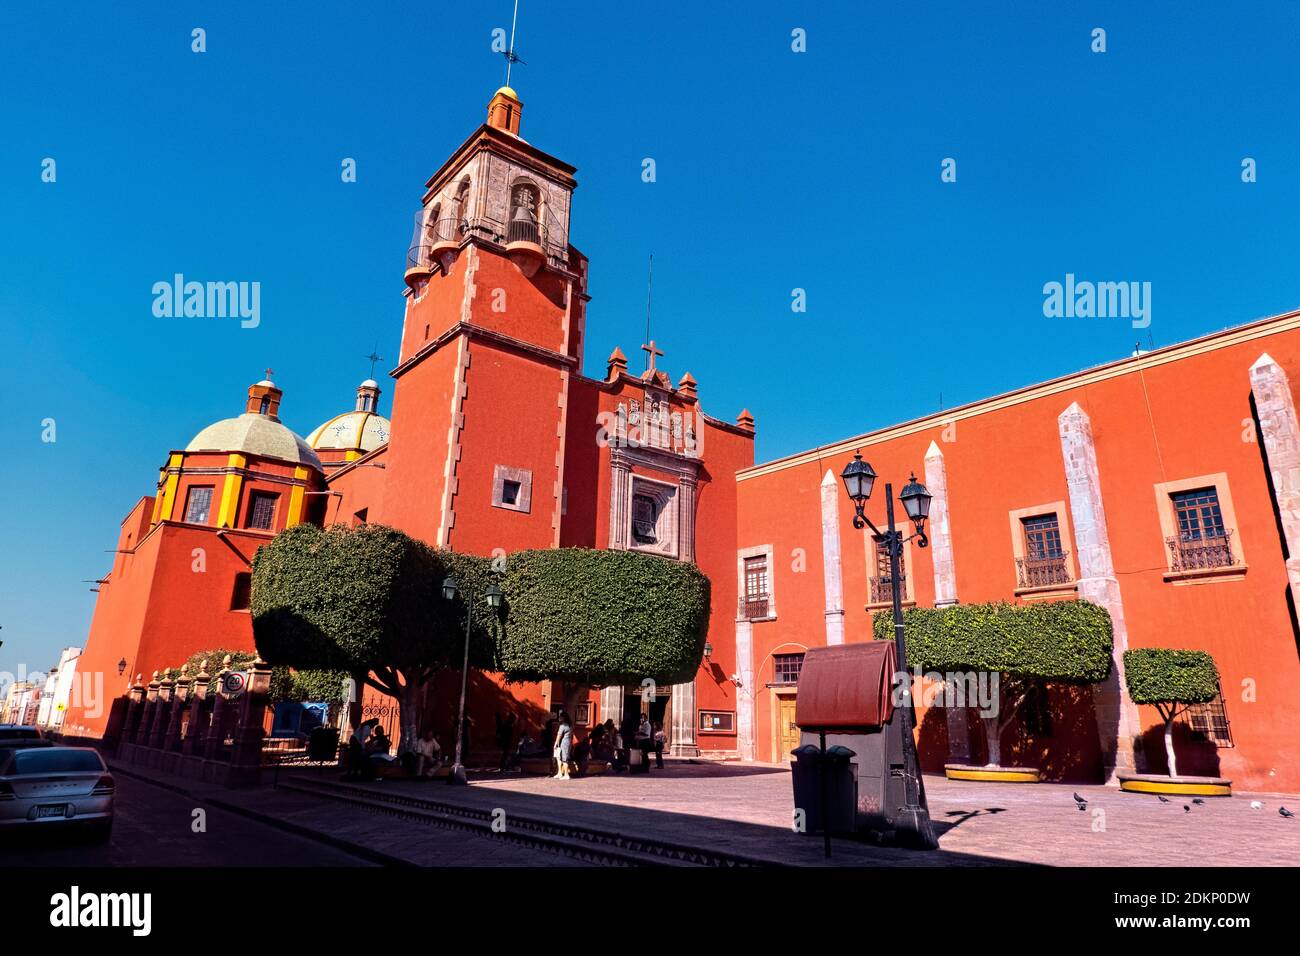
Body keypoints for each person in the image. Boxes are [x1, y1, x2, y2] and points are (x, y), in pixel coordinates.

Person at [553, 710, 573, 780]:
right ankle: (559, 773)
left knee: (564, 758)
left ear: (563, 717)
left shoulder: (563, 725)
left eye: (560, 717)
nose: (559, 718)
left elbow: (559, 735)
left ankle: (566, 775)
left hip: (563, 743)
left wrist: (555, 743)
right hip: (567, 742)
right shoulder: (570, 725)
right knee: (559, 757)